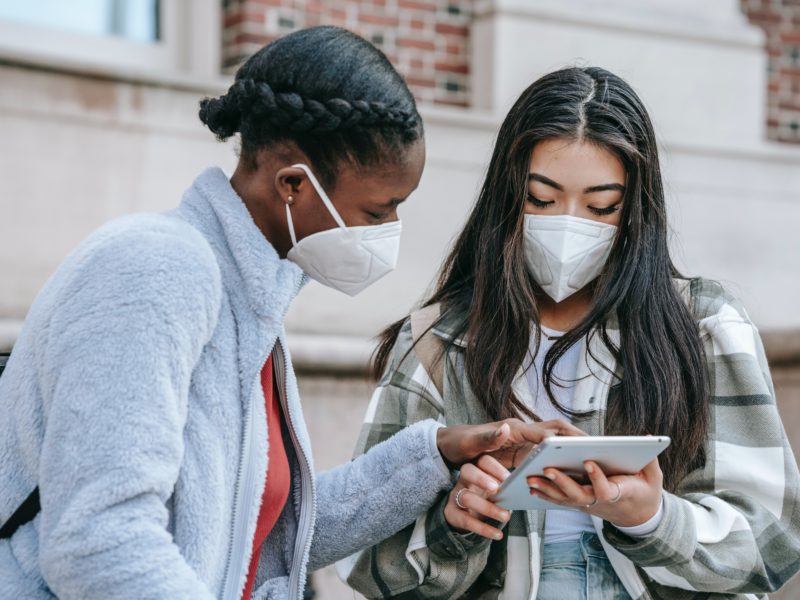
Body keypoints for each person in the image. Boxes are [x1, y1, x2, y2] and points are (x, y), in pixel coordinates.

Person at [0, 27, 567, 600]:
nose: (388, 233)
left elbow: (262, 532)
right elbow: (98, 541)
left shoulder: (249, 304)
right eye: (377, 211)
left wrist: (438, 452)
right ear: (294, 184)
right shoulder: (153, 269)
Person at [340, 66, 800, 599]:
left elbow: (775, 538)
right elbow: (366, 558)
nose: (568, 224)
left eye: (602, 206)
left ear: (635, 210)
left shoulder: (704, 324)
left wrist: (651, 518)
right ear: (506, 197)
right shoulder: (438, 342)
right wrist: (455, 524)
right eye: (541, 198)